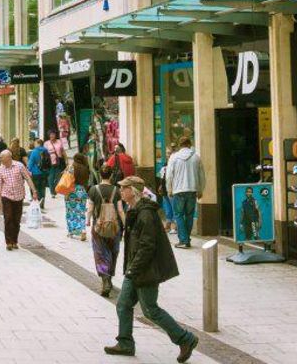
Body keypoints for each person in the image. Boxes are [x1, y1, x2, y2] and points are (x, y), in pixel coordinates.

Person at [105, 176, 198, 362]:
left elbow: (147, 246)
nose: (121, 191)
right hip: (136, 268)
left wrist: (134, 269)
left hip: (145, 269)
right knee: (123, 304)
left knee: (150, 309)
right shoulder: (134, 209)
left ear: (133, 191)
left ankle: (185, 338)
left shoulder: (145, 213)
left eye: (124, 188)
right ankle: (125, 343)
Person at [87, 166, 123, 297]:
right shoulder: (116, 190)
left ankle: (105, 279)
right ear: (111, 176)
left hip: (98, 227)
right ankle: (110, 277)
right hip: (114, 227)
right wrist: (124, 223)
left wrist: (87, 220)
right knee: (113, 252)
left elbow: (90, 209)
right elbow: (120, 210)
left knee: (100, 253)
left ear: (100, 175)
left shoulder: (93, 190)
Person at [165, 136, 204, 249]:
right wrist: (200, 189)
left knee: (178, 215)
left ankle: (183, 240)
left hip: (178, 191)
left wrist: (169, 189)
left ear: (179, 145)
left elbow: (169, 176)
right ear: (189, 144)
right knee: (189, 215)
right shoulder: (196, 157)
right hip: (192, 190)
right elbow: (201, 175)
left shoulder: (173, 157)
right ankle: (186, 239)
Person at [0, 149, 38, 251]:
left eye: (2, 157)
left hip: (19, 196)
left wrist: (34, 191)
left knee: (16, 220)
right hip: (7, 196)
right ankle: (9, 242)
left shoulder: (19, 165)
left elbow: (27, 178)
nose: (0, 159)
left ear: (8, 157)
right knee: (8, 218)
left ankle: (15, 241)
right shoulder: (0, 169)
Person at [66, 153, 91, 240]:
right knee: (81, 211)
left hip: (72, 190)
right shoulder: (85, 168)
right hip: (82, 190)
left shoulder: (71, 167)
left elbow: (67, 180)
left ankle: (71, 231)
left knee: (71, 212)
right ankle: (83, 230)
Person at [27, 139, 49, 210]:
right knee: (43, 188)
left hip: (36, 173)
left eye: (35, 143)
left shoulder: (34, 151)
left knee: (36, 188)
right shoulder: (46, 150)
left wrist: (28, 170)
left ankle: (37, 203)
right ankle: (42, 203)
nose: (34, 144)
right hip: (44, 172)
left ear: (38, 144)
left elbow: (31, 162)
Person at [44, 131, 65, 199]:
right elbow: (44, 154)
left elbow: (62, 151)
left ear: (55, 135)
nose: (52, 136)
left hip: (59, 161)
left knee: (58, 177)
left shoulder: (59, 141)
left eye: (53, 134)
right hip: (50, 162)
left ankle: (55, 189)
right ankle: (52, 192)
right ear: (49, 136)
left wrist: (66, 160)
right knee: (51, 177)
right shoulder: (46, 143)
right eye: (51, 134)